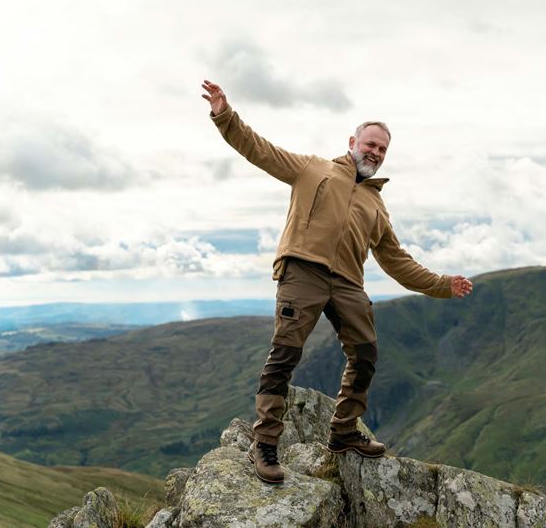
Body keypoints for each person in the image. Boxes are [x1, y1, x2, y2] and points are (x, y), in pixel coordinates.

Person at [201, 79, 474, 484]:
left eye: (382, 149)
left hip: (347, 283)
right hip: (303, 272)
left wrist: (440, 284)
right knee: (284, 357)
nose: (375, 153)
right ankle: (265, 446)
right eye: (370, 144)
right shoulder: (313, 169)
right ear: (353, 141)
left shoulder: (376, 206)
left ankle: (344, 431)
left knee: (365, 355)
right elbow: (259, 150)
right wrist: (225, 115)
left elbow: (397, 261)